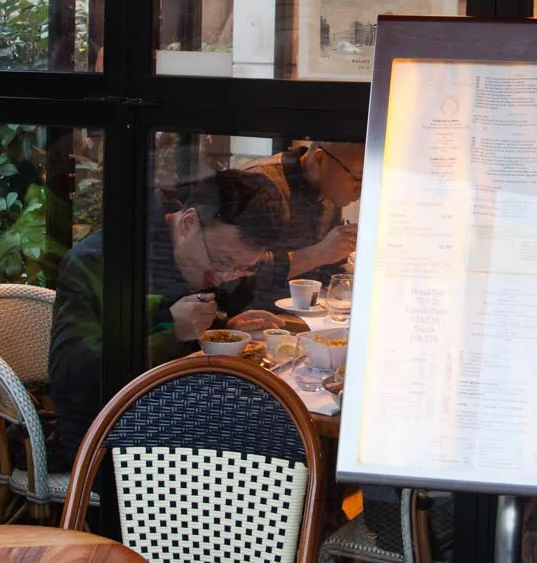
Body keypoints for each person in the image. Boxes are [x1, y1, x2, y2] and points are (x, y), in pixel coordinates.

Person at [48, 167, 288, 461]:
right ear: (188, 223)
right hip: (109, 441)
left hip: (180, 416)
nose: (225, 276)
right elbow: (72, 375)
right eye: (222, 261)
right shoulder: (104, 261)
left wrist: (223, 328)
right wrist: (171, 330)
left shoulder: (189, 256)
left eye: (241, 268)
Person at [243, 139, 364, 291]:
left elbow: (327, 271)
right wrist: (319, 253)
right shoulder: (261, 184)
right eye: (357, 178)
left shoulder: (330, 192)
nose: (361, 189)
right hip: (252, 312)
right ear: (319, 159)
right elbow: (236, 272)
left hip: (306, 310)